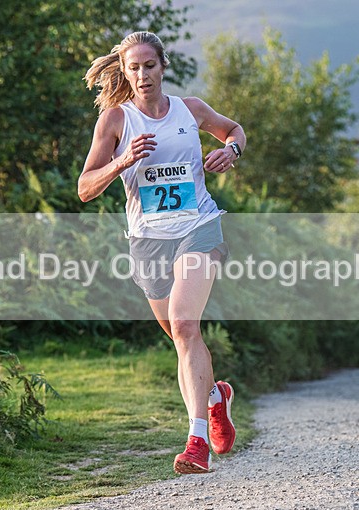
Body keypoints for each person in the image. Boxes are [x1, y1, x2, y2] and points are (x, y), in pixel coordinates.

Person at [78, 31, 246, 474]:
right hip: (148, 239)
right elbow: (85, 188)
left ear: (162, 66)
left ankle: (195, 443)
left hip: (198, 227)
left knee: (187, 326)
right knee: (177, 335)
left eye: (149, 66)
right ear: (125, 71)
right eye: (133, 68)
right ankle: (215, 397)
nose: (142, 75)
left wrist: (230, 151)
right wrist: (122, 161)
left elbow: (234, 130)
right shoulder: (116, 121)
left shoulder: (189, 110)